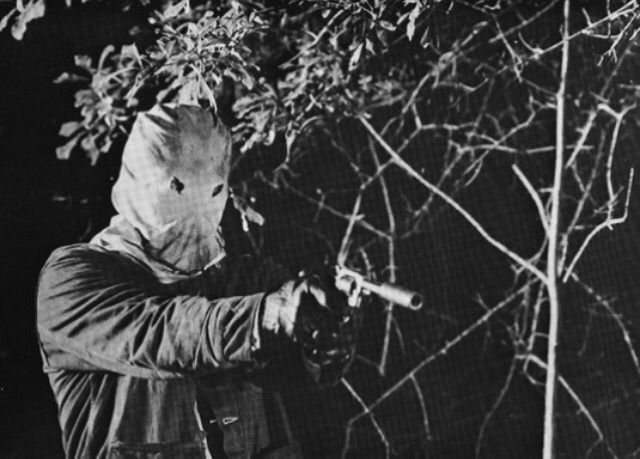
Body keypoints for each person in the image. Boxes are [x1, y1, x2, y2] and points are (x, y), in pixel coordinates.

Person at [36, 104, 355, 459]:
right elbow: (161, 333)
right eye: (178, 186)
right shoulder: (72, 278)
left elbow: (297, 372)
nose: (195, 203)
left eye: (213, 189)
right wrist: (266, 316)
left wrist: (320, 338)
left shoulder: (246, 278)